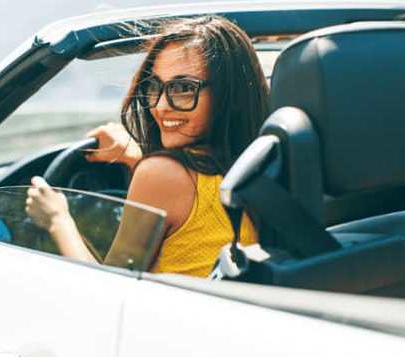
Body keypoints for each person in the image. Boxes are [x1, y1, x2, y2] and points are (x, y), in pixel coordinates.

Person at [26, 16, 270, 277]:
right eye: (154, 86)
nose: (160, 106)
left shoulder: (160, 175)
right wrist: (138, 159)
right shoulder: (261, 165)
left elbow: (106, 289)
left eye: (184, 88)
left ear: (228, 94)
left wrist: (56, 218)